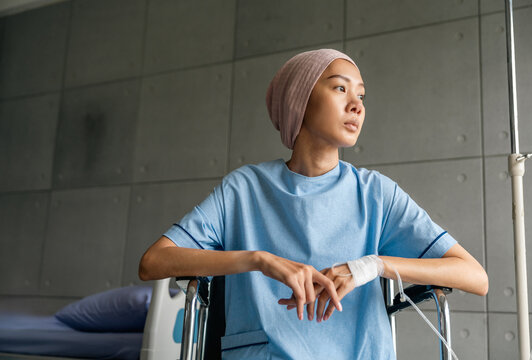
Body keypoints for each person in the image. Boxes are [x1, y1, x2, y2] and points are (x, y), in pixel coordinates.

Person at [139, 49, 488, 359]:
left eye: (361, 95)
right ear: (299, 100)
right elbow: (154, 261)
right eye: (340, 88)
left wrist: (373, 265)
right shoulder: (245, 189)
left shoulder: (376, 193)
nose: (357, 105)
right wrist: (260, 260)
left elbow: (474, 276)